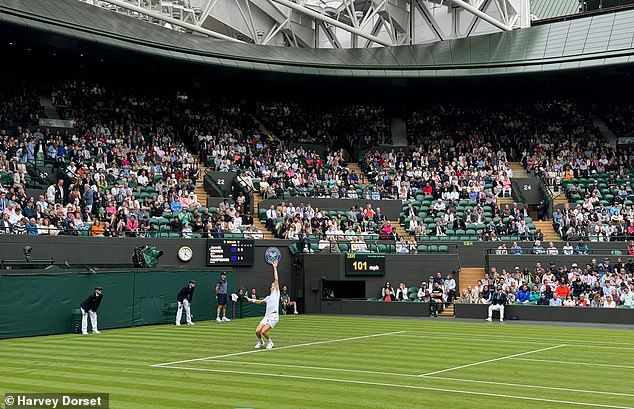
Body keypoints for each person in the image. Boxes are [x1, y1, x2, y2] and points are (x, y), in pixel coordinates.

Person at [248, 260, 280, 349]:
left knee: (264, 331)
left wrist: (274, 267)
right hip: (267, 316)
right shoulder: (268, 297)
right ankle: (261, 342)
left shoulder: (276, 293)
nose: (274, 285)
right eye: (273, 285)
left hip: (274, 316)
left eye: (275, 285)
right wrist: (251, 300)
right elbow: (260, 302)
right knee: (257, 331)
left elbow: (276, 279)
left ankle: (270, 342)